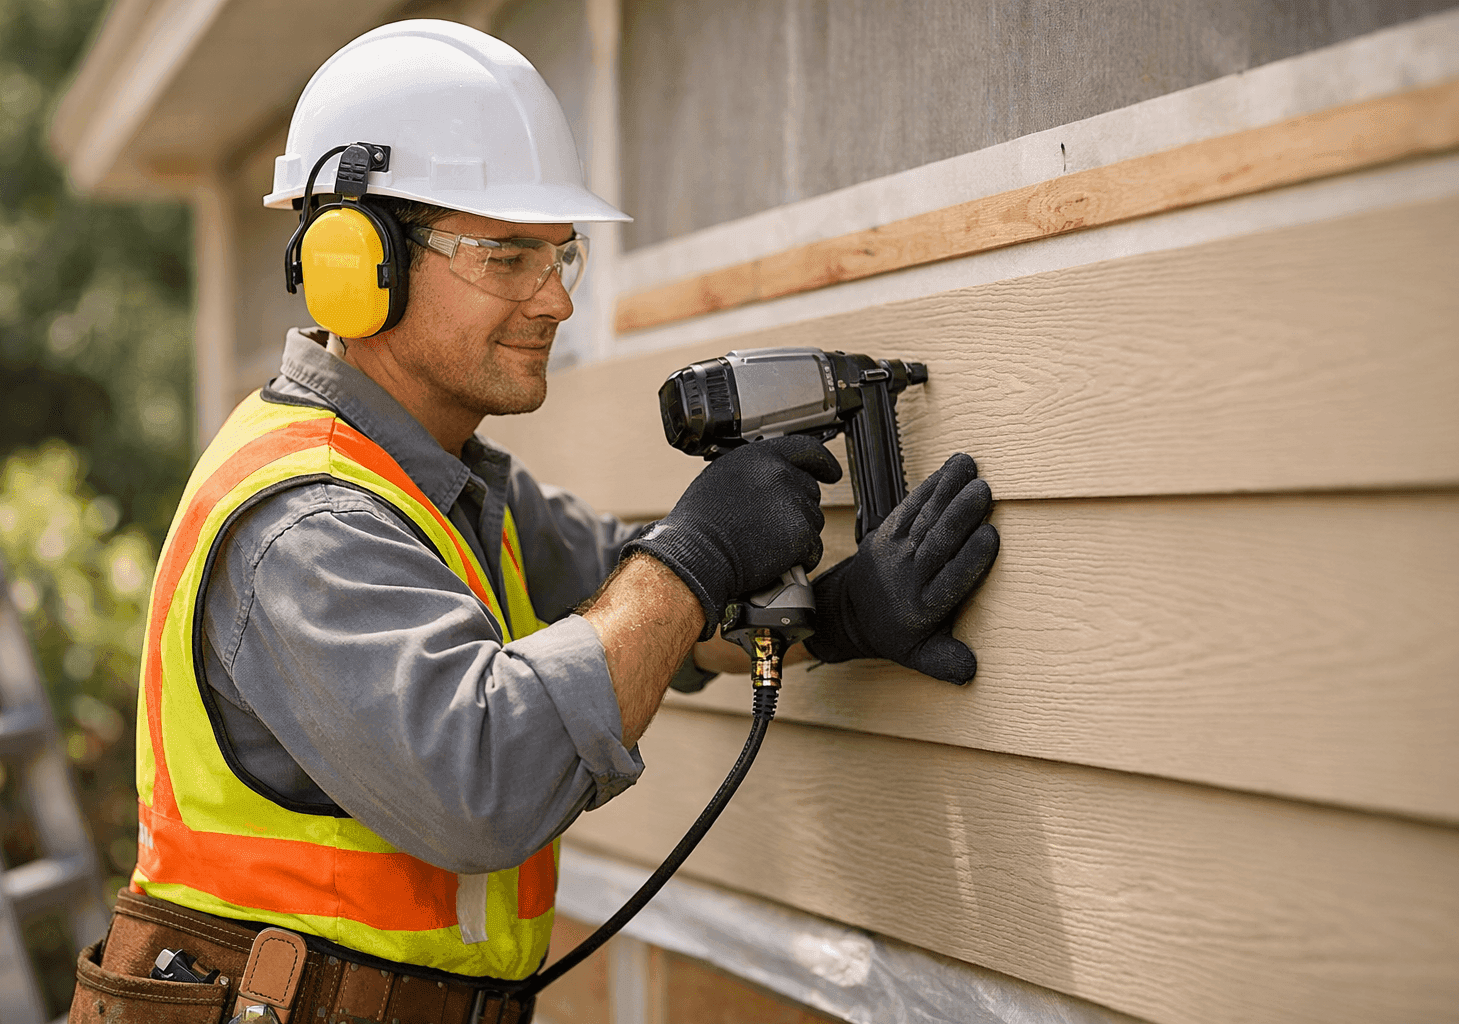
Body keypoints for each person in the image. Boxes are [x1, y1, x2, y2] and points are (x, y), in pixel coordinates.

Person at [69, 20, 999, 1024]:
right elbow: (487, 773)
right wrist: (695, 556)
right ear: (356, 262)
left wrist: (837, 614)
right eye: (507, 256)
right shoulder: (310, 522)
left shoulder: (451, 490)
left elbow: (627, 596)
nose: (555, 299)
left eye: (563, 254)